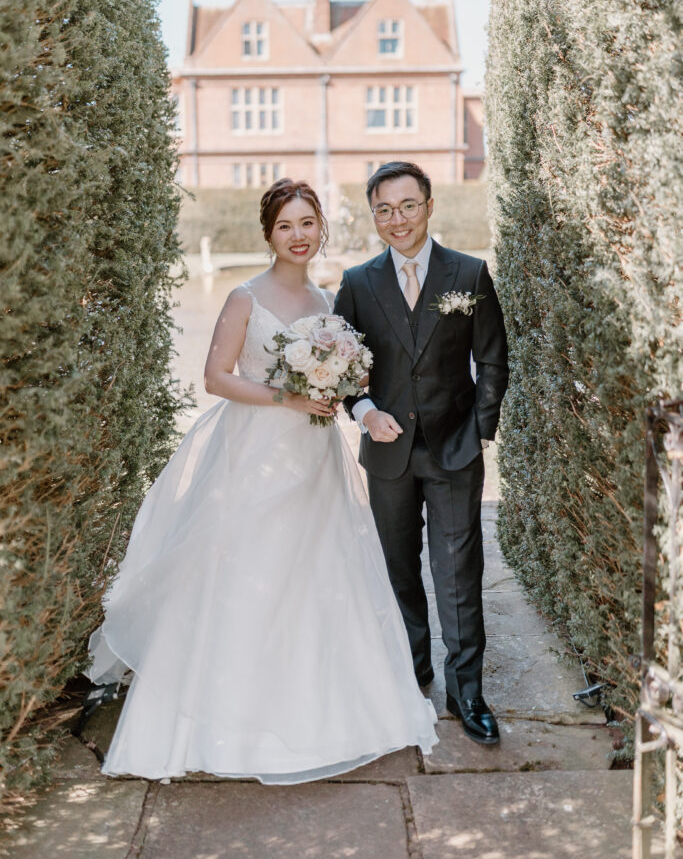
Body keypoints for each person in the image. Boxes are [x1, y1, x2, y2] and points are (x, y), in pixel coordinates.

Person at [87, 178, 437, 782]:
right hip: (255, 452)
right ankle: (228, 716)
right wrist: (287, 397)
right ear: (269, 234)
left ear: (321, 228)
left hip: (315, 456)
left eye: (307, 223)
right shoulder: (244, 298)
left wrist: (343, 390)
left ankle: (324, 707)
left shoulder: (331, 302)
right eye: (285, 226)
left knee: (318, 570)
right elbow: (216, 377)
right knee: (248, 568)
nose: (298, 236)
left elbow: (345, 381)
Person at [334, 161, 508, 745]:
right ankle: (412, 674)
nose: (397, 219)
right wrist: (364, 411)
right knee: (398, 571)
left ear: (429, 207)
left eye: (408, 206)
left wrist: (479, 429)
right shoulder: (358, 283)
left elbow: (492, 359)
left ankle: (467, 692)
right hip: (388, 455)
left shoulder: (468, 273)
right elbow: (342, 370)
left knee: (458, 573)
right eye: (384, 209)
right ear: (373, 216)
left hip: (455, 450)